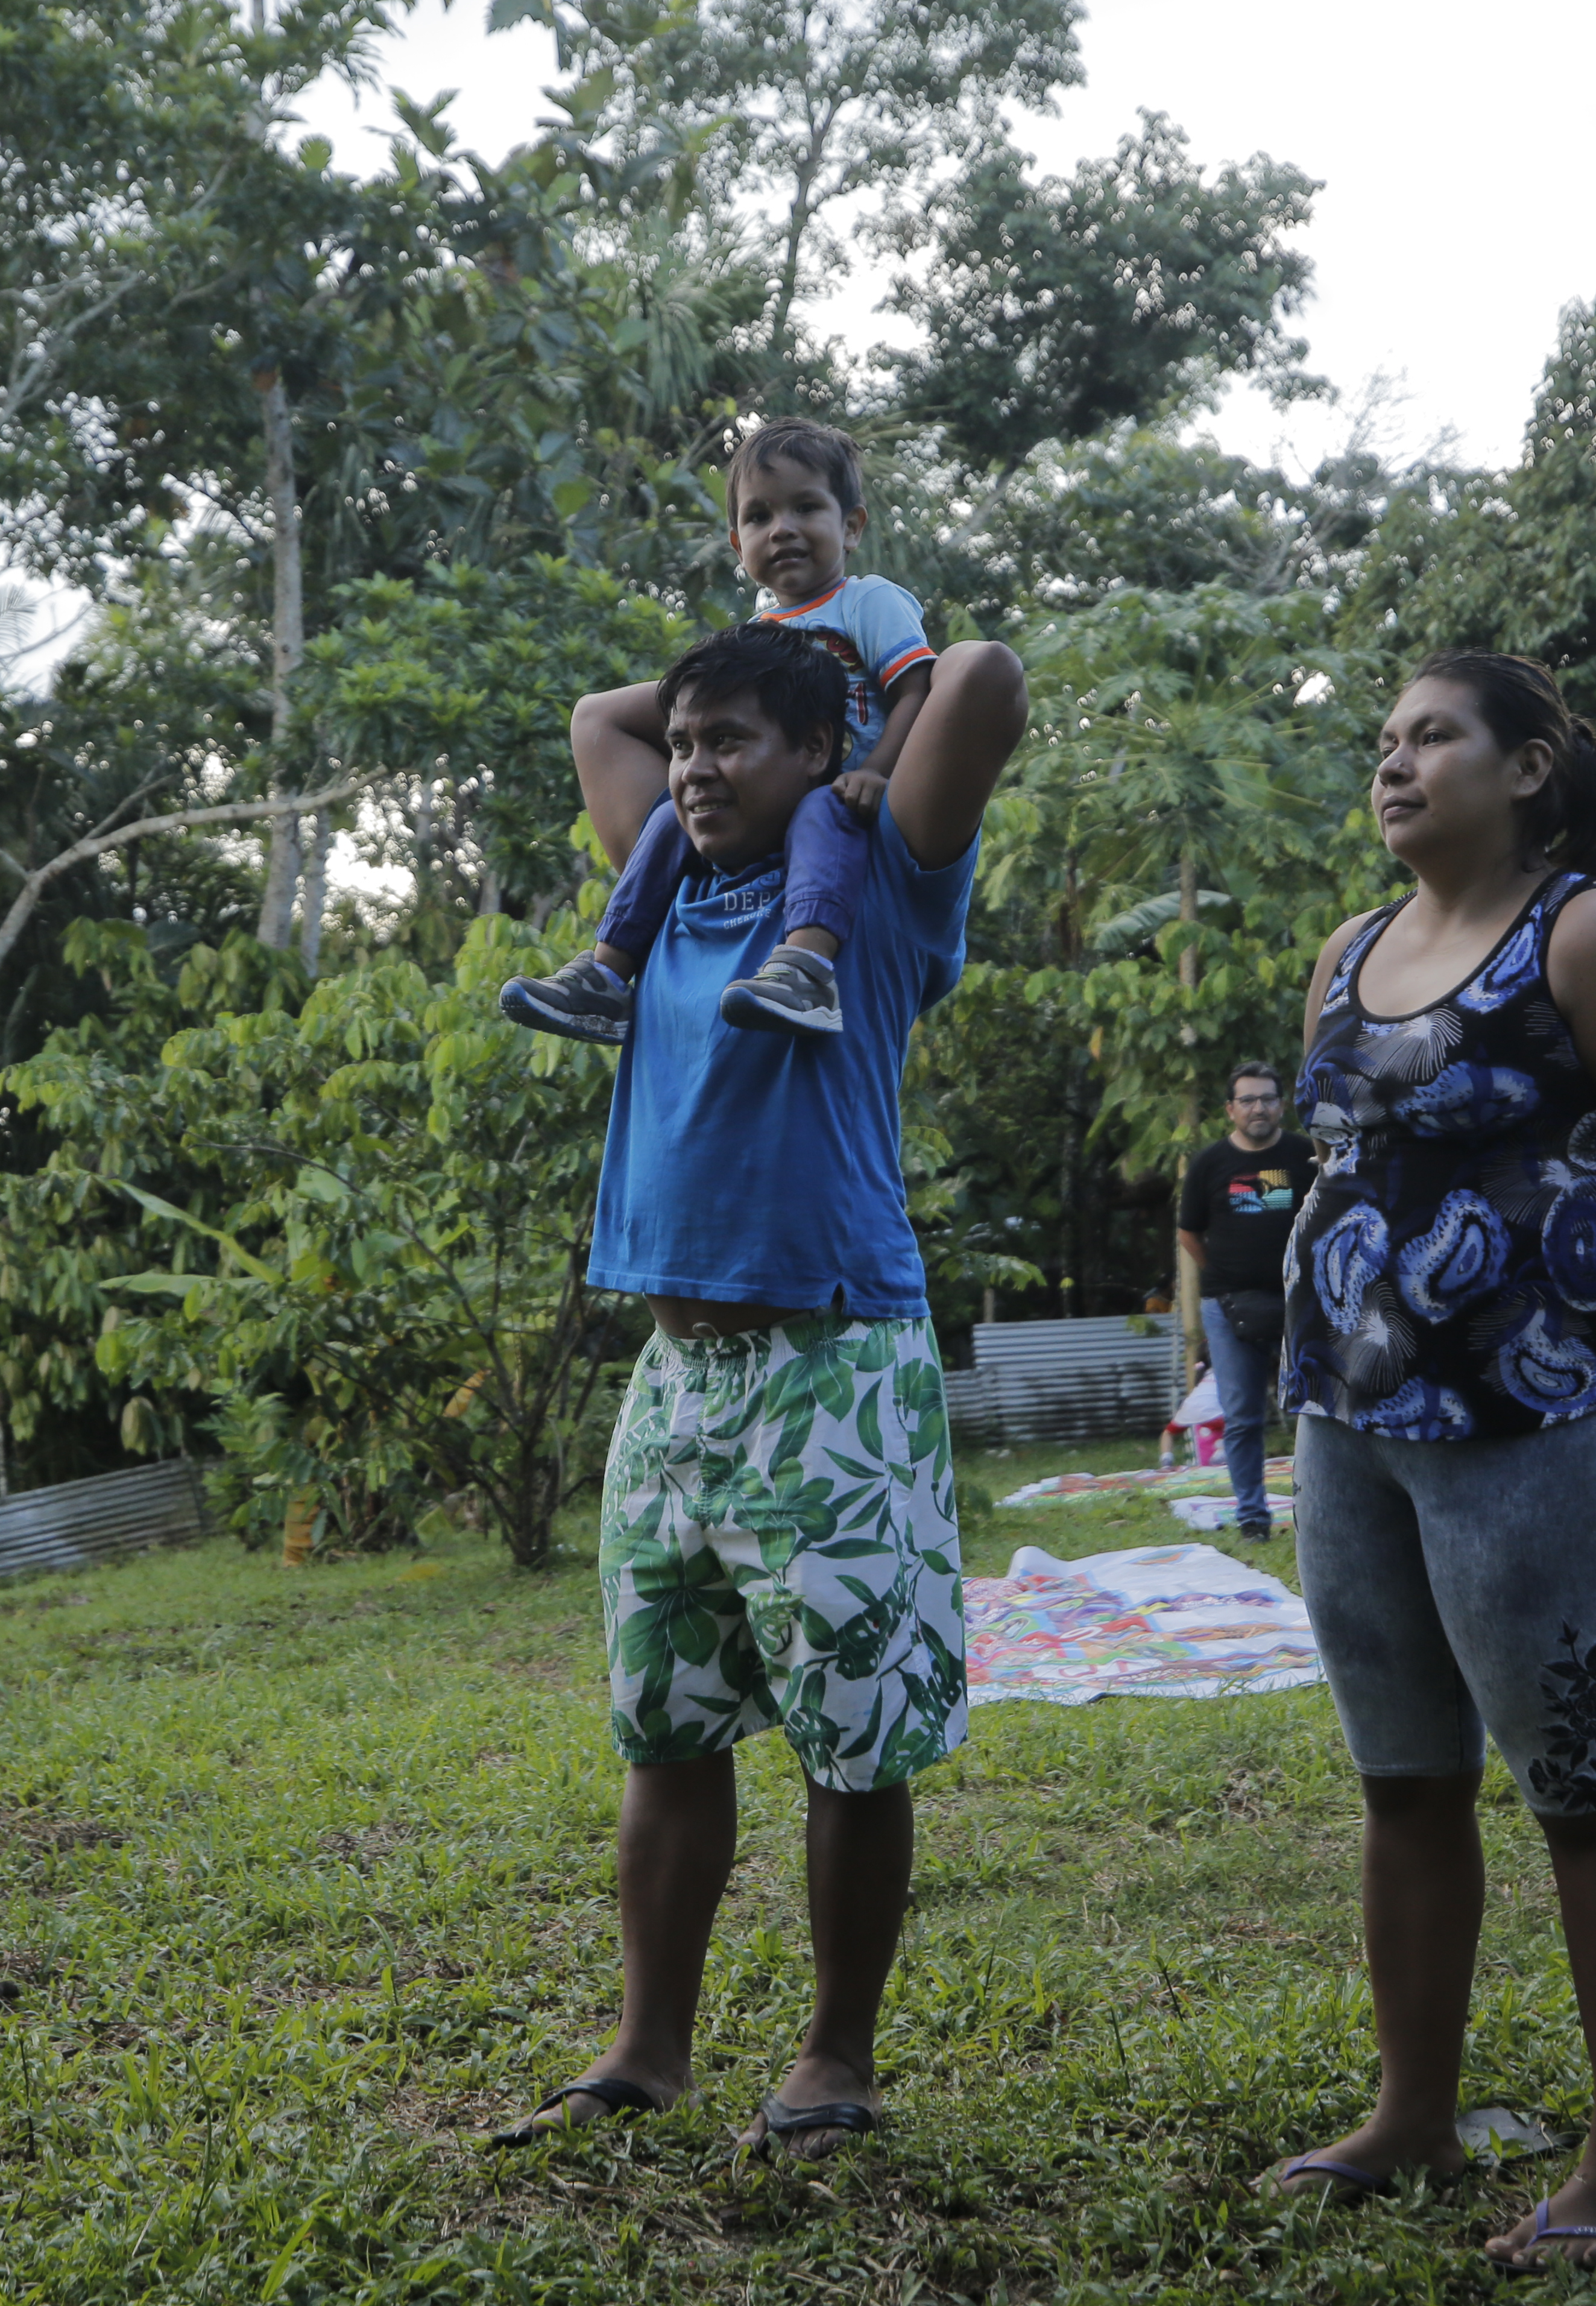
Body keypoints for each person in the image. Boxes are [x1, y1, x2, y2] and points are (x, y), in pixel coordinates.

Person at [487, 615, 1027, 2159]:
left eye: (733, 741)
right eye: (689, 742)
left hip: (831, 1364)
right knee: (663, 1729)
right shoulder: (664, 891)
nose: (695, 764)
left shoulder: (876, 886)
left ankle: (831, 2056)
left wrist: (864, 729)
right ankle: (645, 2045)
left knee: (851, 1740)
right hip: (672, 1380)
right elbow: (603, 718)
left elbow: (980, 681)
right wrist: (717, 699)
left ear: (822, 755)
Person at [1264, 651, 1596, 2273]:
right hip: (1350, 1434)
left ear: (1530, 766)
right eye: (1385, 741)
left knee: (1583, 1793)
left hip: (1548, 1433)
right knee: (1405, 1786)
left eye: (1434, 737)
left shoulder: (1592, 934)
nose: (1396, 763)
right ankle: (1413, 2113)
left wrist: (1566, 1316)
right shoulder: (1350, 952)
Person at [500, 417, 1005, 1043]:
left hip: (843, 797)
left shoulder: (865, 601)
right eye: (761, 517)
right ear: (739, 546)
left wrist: (877, 772)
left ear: (852, 525)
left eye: (806, 508)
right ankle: (607, 976)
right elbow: (622, 717)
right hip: (766, 804)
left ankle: (808, 968)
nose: (783, 529)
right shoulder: (753, 638)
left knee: (822, 810)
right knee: (666, 818)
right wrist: (696, 738)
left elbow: (914, 691)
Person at [1176, 1062, 1315, 1537]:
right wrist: (1223, 1272)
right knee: (1241, 1416)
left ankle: (1317, 1513)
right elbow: (1189, 1233)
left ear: (1282, 1104)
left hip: (1302, 1303)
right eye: (1249, 1100)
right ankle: (1253, 1516)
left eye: (1268, 1099)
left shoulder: (1306, 1156)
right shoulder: (1210, 1164)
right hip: (1227, 1307)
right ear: (1231, 1109)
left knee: (1314, 1411)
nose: (1259, 1108)